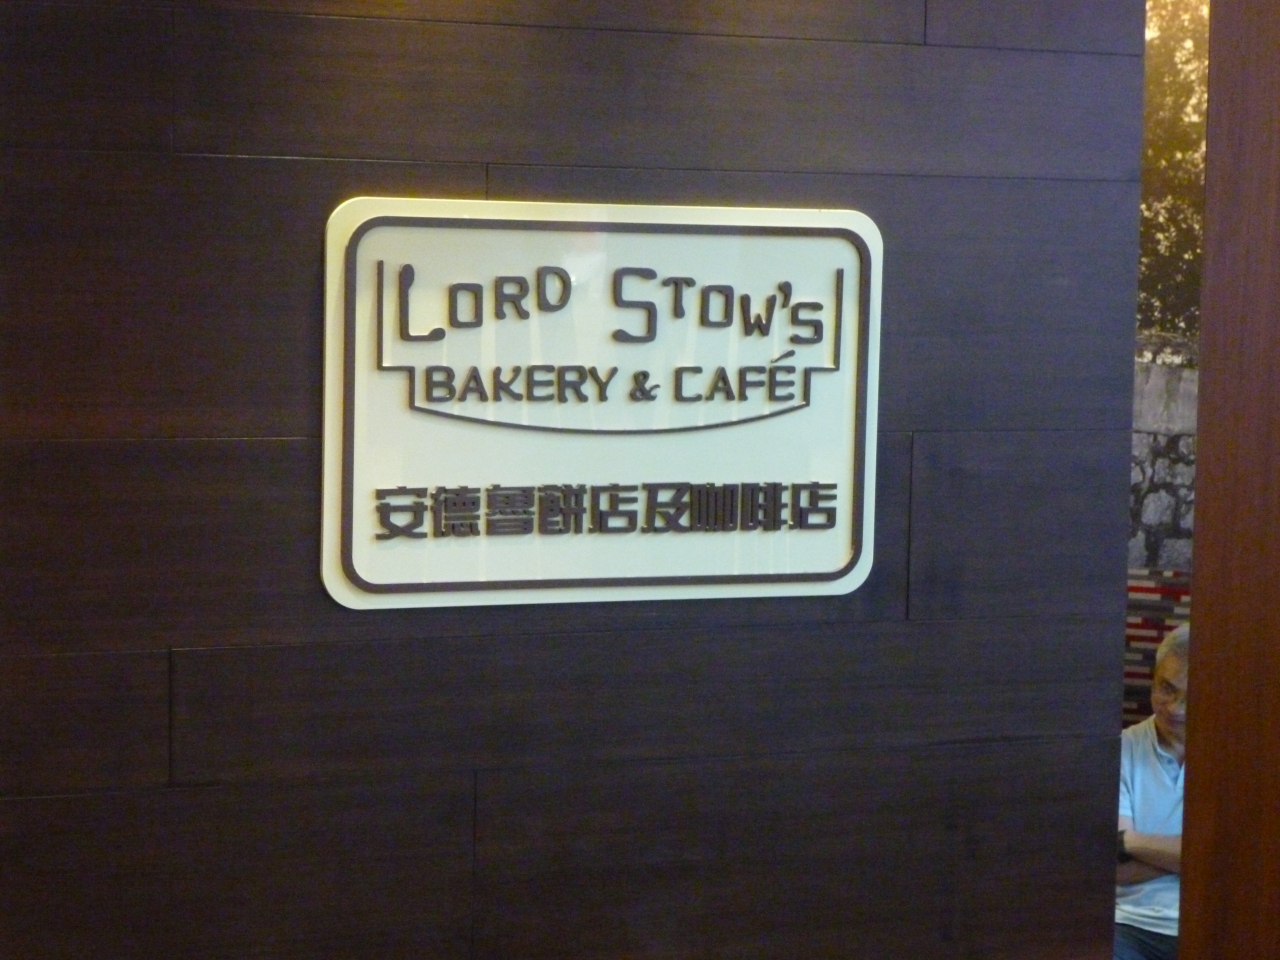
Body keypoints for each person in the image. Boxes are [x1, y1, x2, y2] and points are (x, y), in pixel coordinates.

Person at [1114, 622, 1189, 960]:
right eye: (1166, 688)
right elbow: (1117, 870)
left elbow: (1239, 860)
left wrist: (1131, 842)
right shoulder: (1122, 749)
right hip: (1127, 923)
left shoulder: (1238, 755)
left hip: (1211, 918)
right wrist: (1197, 857)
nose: (1175, 708)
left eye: (1190, 697)